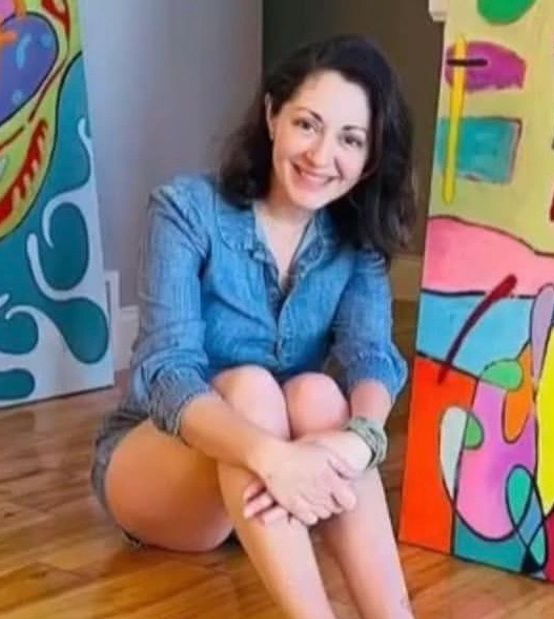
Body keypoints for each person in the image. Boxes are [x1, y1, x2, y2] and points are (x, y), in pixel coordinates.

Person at [89, 34, 417, 619]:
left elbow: (372, 356)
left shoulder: (355, 238)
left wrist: (361, 437)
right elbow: (168, 374)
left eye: (350, 139)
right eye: (308, 124)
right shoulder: (187, 210)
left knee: (319, 393)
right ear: (272, 116)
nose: (322, 156)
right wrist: (272, 457)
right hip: (162, 470)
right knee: (251, 388)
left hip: (268, 487)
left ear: (369, 158)